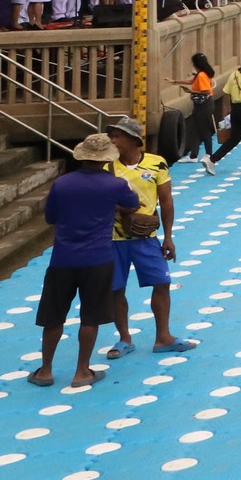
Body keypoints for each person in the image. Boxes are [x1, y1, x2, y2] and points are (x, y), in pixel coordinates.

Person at [31, 133, 138, 387]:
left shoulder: (62, 184)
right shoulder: (115, 185)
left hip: (63, 259)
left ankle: (45, 370)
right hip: (98, 259)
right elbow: (133, 204)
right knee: (90, 318)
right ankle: (82, 372)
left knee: (54, 317)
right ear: (106, 159)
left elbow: (51, 218)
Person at [101, 115, 196, 357]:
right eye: (111, 135)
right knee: (115, 289)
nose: (112, 140)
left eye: (117, 136)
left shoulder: (157, 164)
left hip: (147, 237)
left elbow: (166, 200)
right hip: (114, 239)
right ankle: (124, 339)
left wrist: (168, 236)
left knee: (162, 283)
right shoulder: (106, 168)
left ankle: (163, 337)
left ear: (134, 139)